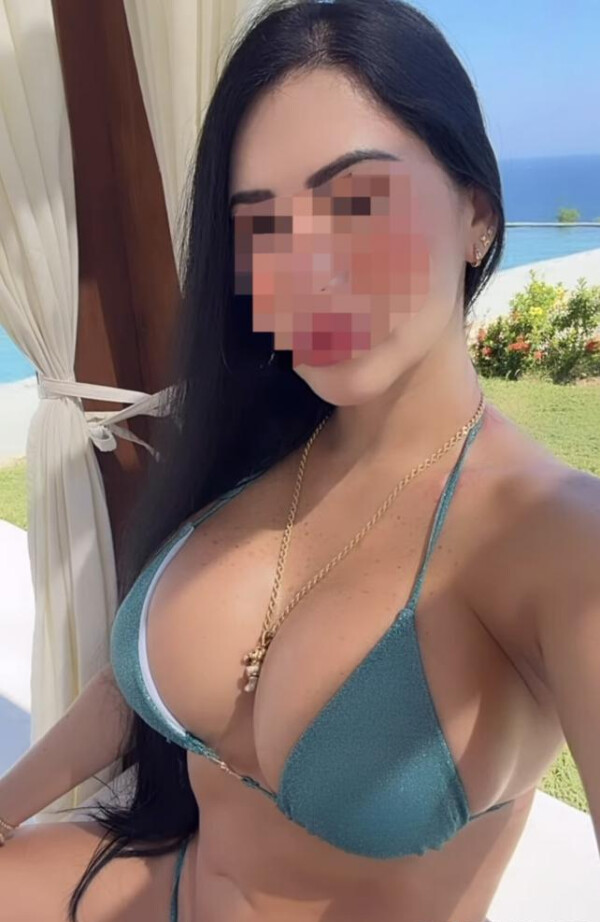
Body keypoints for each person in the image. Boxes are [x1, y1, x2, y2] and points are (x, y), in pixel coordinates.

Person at [0, 1, 594, 920]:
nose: (304, 272)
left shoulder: (552, 539)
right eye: (262, 227)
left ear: (477, 215)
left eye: (358, 204)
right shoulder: (258, 448)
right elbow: (129, 686)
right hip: (158, 888)